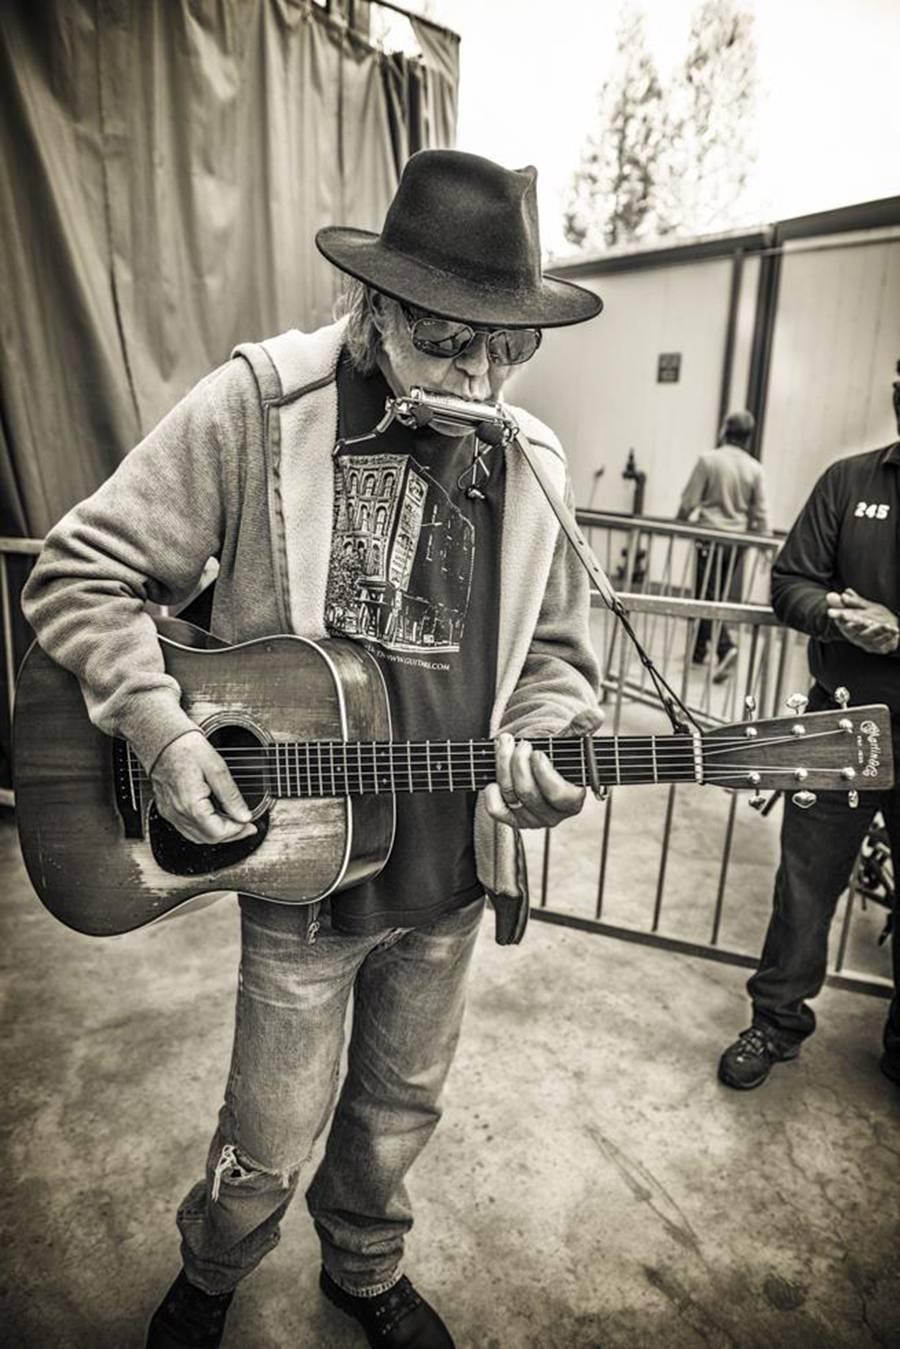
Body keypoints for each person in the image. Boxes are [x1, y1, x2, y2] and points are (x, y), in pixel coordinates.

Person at [21, 150, 604, 1349]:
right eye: (450, 343)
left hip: (450, 867)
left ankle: (366, 1269)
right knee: (271, 1121)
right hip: (300, 867)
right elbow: (79, 569)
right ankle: (215, 1267)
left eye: (510, 348)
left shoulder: (532, 459)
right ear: (377, 308)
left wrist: (550, 732)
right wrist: (160, 722)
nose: (483, 377)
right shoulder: (258, 405)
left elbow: (555, 657)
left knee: (400, 1106)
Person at [718, 364, 900, 1092]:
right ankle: (777, 1019)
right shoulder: (849, 481)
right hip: (839, 722)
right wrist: (834, 615)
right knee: (804, 881)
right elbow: (790, 578)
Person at [676, 409, 771, 682]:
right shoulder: (755, 468)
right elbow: (761, 511)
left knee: (707, 596)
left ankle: (725, 647)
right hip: (736, 542)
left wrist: (678, 524)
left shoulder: (709, 461)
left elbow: (689, 501)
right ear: (749, 437)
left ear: (724, 430)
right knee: (714, 593)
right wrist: (765, 546)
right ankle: (698, 651)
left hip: (709, 537)